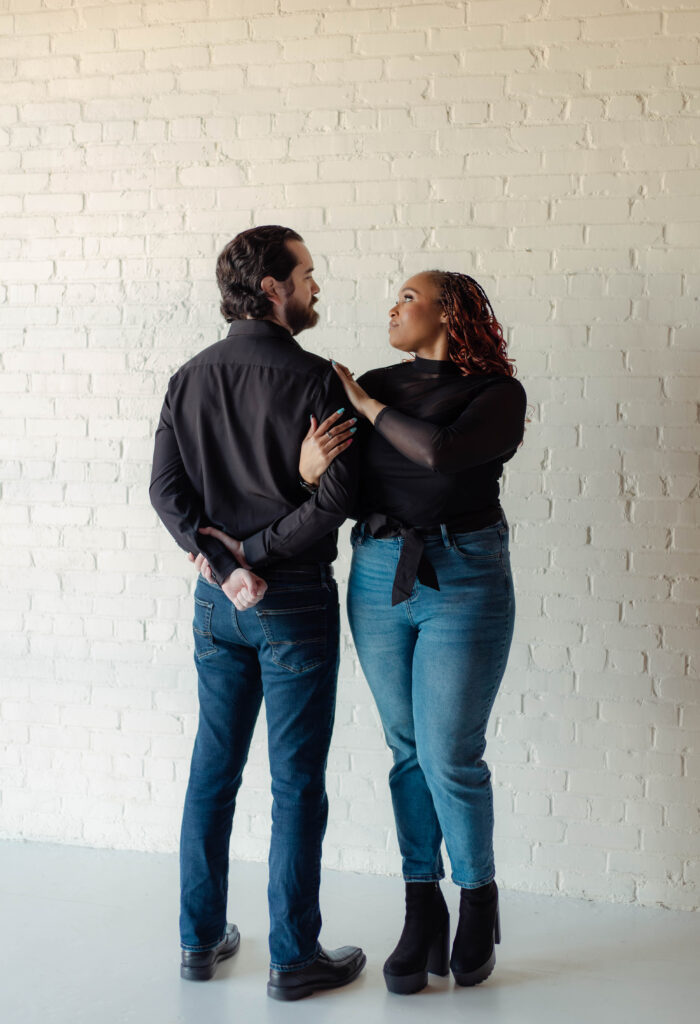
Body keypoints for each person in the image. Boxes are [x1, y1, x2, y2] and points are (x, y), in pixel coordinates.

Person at [149, 225, 365, 1001]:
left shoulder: (188, 377)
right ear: (272, 288)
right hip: (293, 601)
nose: (315, 285)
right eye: (305, 273)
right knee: (296, 783)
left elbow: (165, 492)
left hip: (218, 605)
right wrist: (260, 553)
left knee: (213, 772)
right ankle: (293, 958)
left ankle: (198, 942)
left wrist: (224, 564)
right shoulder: (317, 381)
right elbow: (341, 496)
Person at [298, 270, 527, 995]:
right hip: (376, 571)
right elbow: (343, 483)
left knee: (449, 753)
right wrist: (308, 471)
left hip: (464, 574)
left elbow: (442, 454)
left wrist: (367, 407)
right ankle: (420, 906)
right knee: (406, 751)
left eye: (407, 298)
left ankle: (478, 898)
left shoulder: (497, 394)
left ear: (447, 312)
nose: (392, 308)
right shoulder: (373, 381)